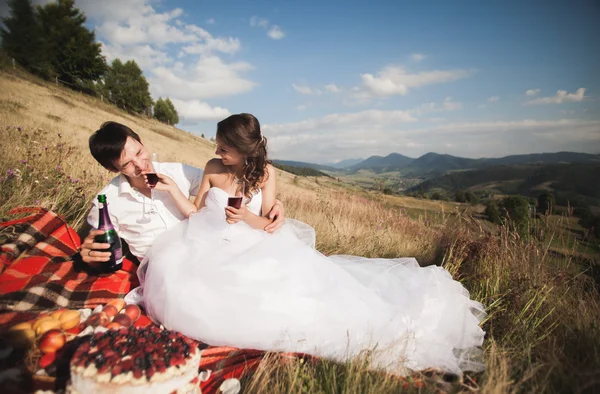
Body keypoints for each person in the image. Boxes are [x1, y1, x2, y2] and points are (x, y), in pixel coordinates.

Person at [130, 113, 486, 376]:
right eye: (218, 145)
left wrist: (246, 219)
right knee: (179, 285)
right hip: (207, 242)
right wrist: (174, 190)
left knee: (280, 297)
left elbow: (270, 222)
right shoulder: (211, 166)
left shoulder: (266, 174)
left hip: (253, 244)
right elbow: (194, 213)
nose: (217, 150)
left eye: (224, 146)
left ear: (242, 150)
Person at [79, 121, 285, 267]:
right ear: (113, 169)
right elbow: (98, 249)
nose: (141, 165)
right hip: (164, 268)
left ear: (142, 141)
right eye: (127, 164)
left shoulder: (178, 172)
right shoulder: (107, 203)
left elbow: (227, 185)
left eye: (140, 153)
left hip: (203, 253)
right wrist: (90, 258)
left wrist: (276, 203)